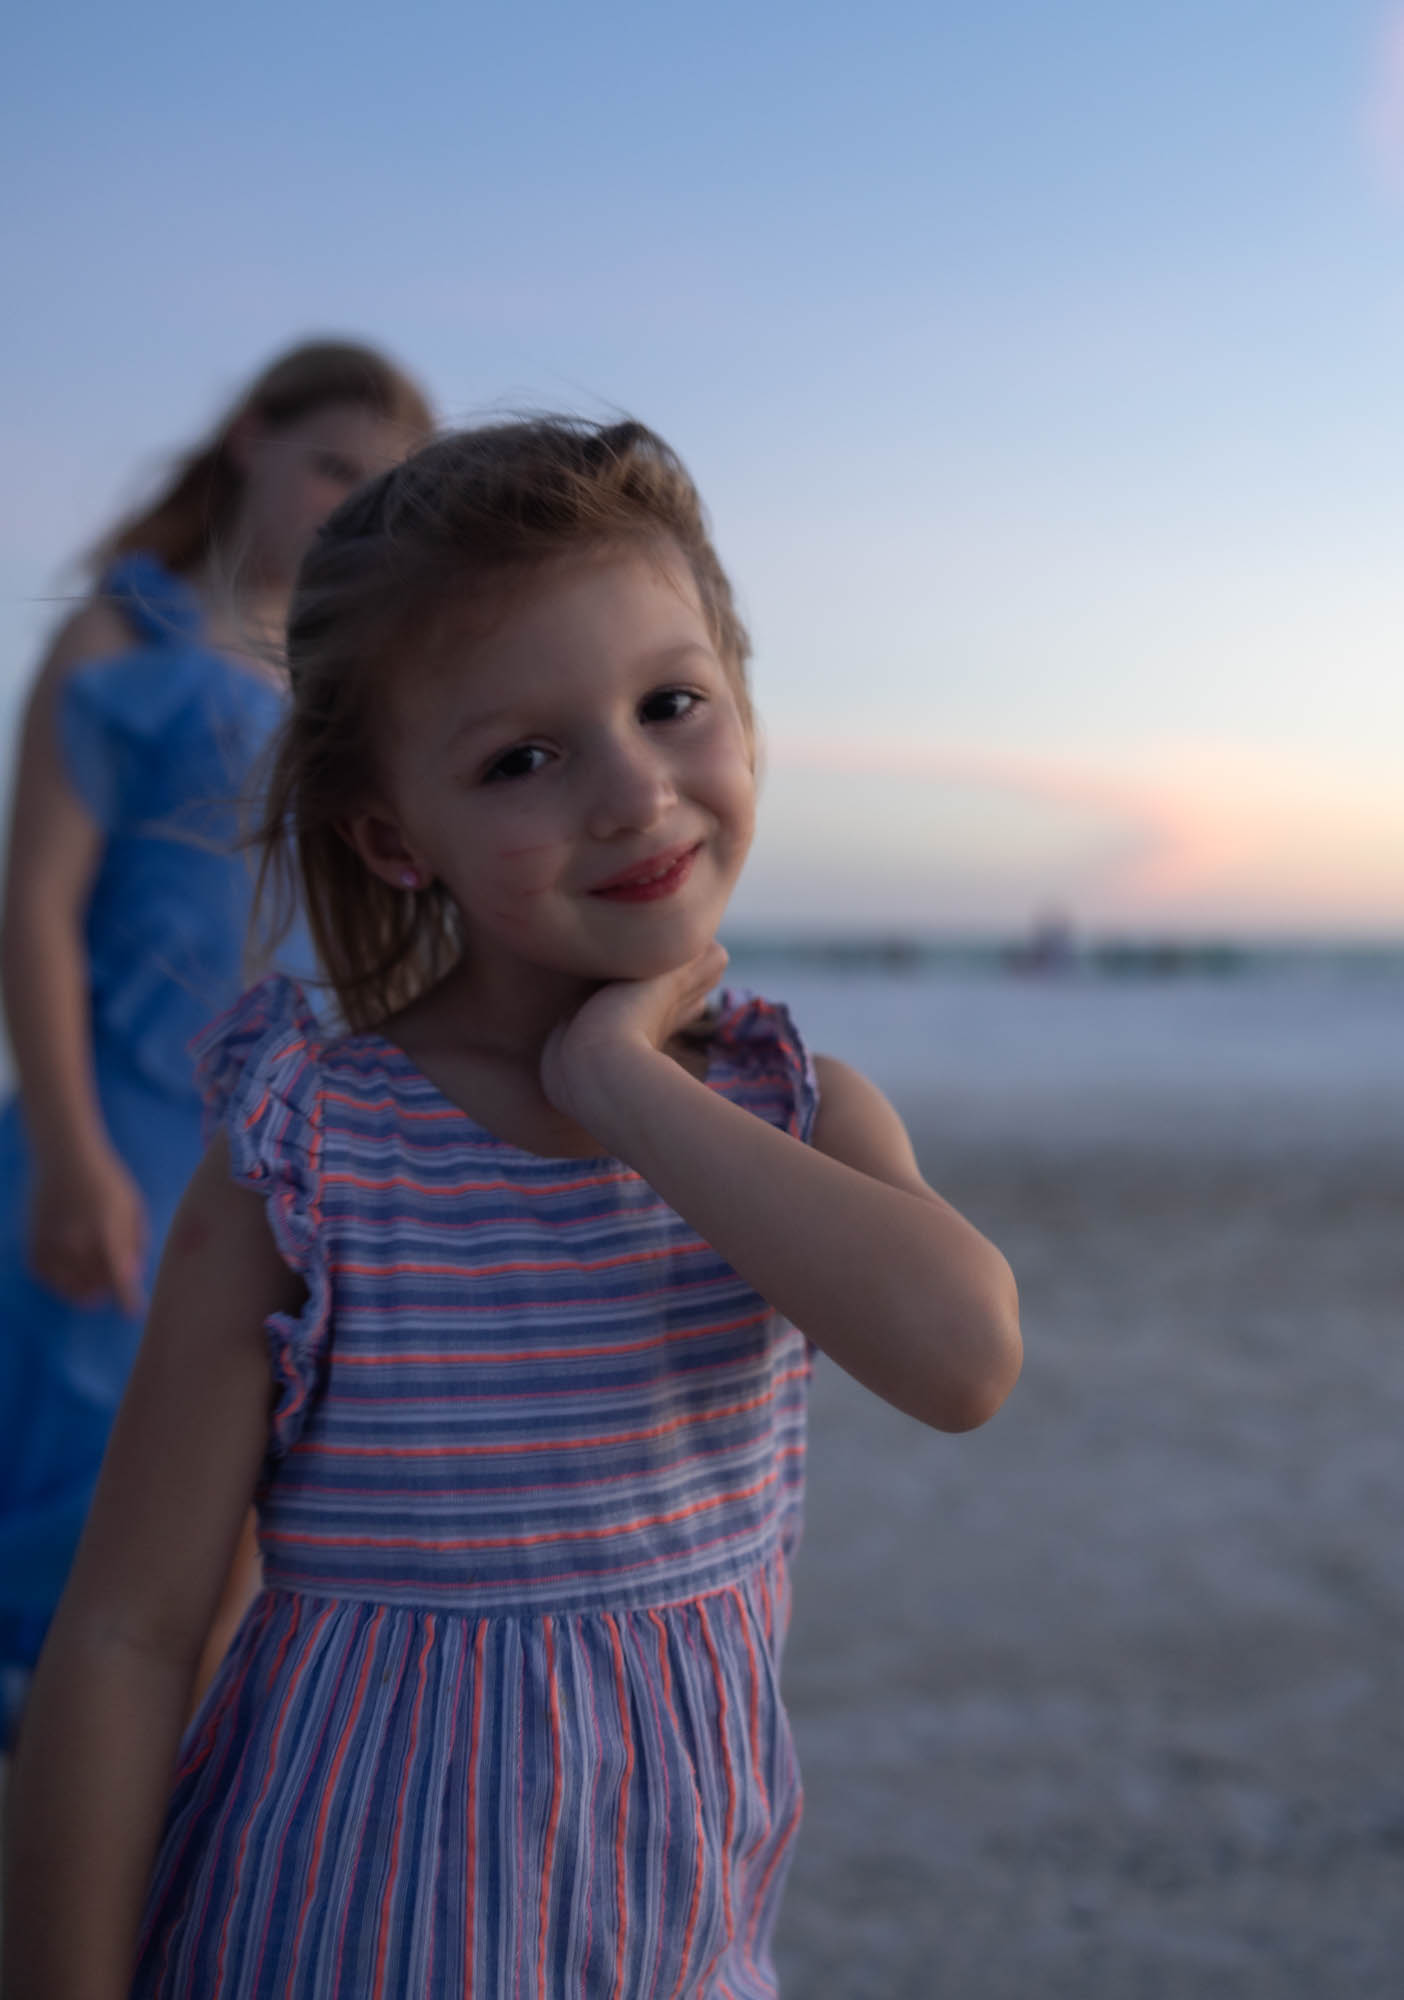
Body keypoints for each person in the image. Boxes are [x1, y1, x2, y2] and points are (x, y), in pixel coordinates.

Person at [2, 418, 1023, 1998]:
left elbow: (963, 1358)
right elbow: (130, 1637)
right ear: (393, 836)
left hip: (669, 1951)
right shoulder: (312, 1157)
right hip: (325, 1939)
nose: (633, 790)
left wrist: (621, 1079)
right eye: (522, 758)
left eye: (670, 704)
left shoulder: (794, 1120)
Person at [0, 340, 435, 1728]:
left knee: (239, 1533)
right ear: (251, 439)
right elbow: (35, 907)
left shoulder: (347, 688)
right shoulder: (121, 636)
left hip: (291, 1150)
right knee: (84, 1522)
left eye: (383, 491)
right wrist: (70, 1157)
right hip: (117, 1124)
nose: (346, 504)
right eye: (332, 467)